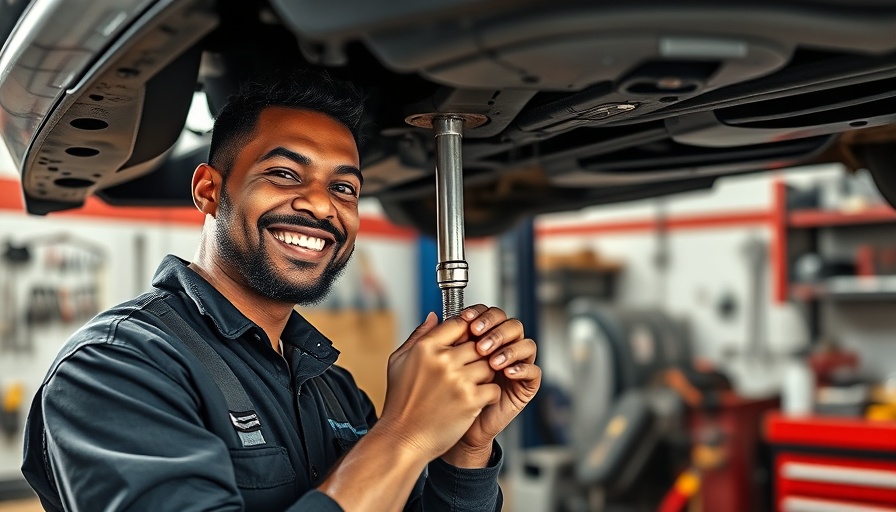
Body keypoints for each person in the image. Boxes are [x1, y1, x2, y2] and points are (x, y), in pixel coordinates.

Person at [21, 69, 541, 511]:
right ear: (209, 190)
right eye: (285, 174)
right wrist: (403, 435)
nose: (320, 205)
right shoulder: (115, 367)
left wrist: (464, 453)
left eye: (344, 187)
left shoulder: (330, 386)